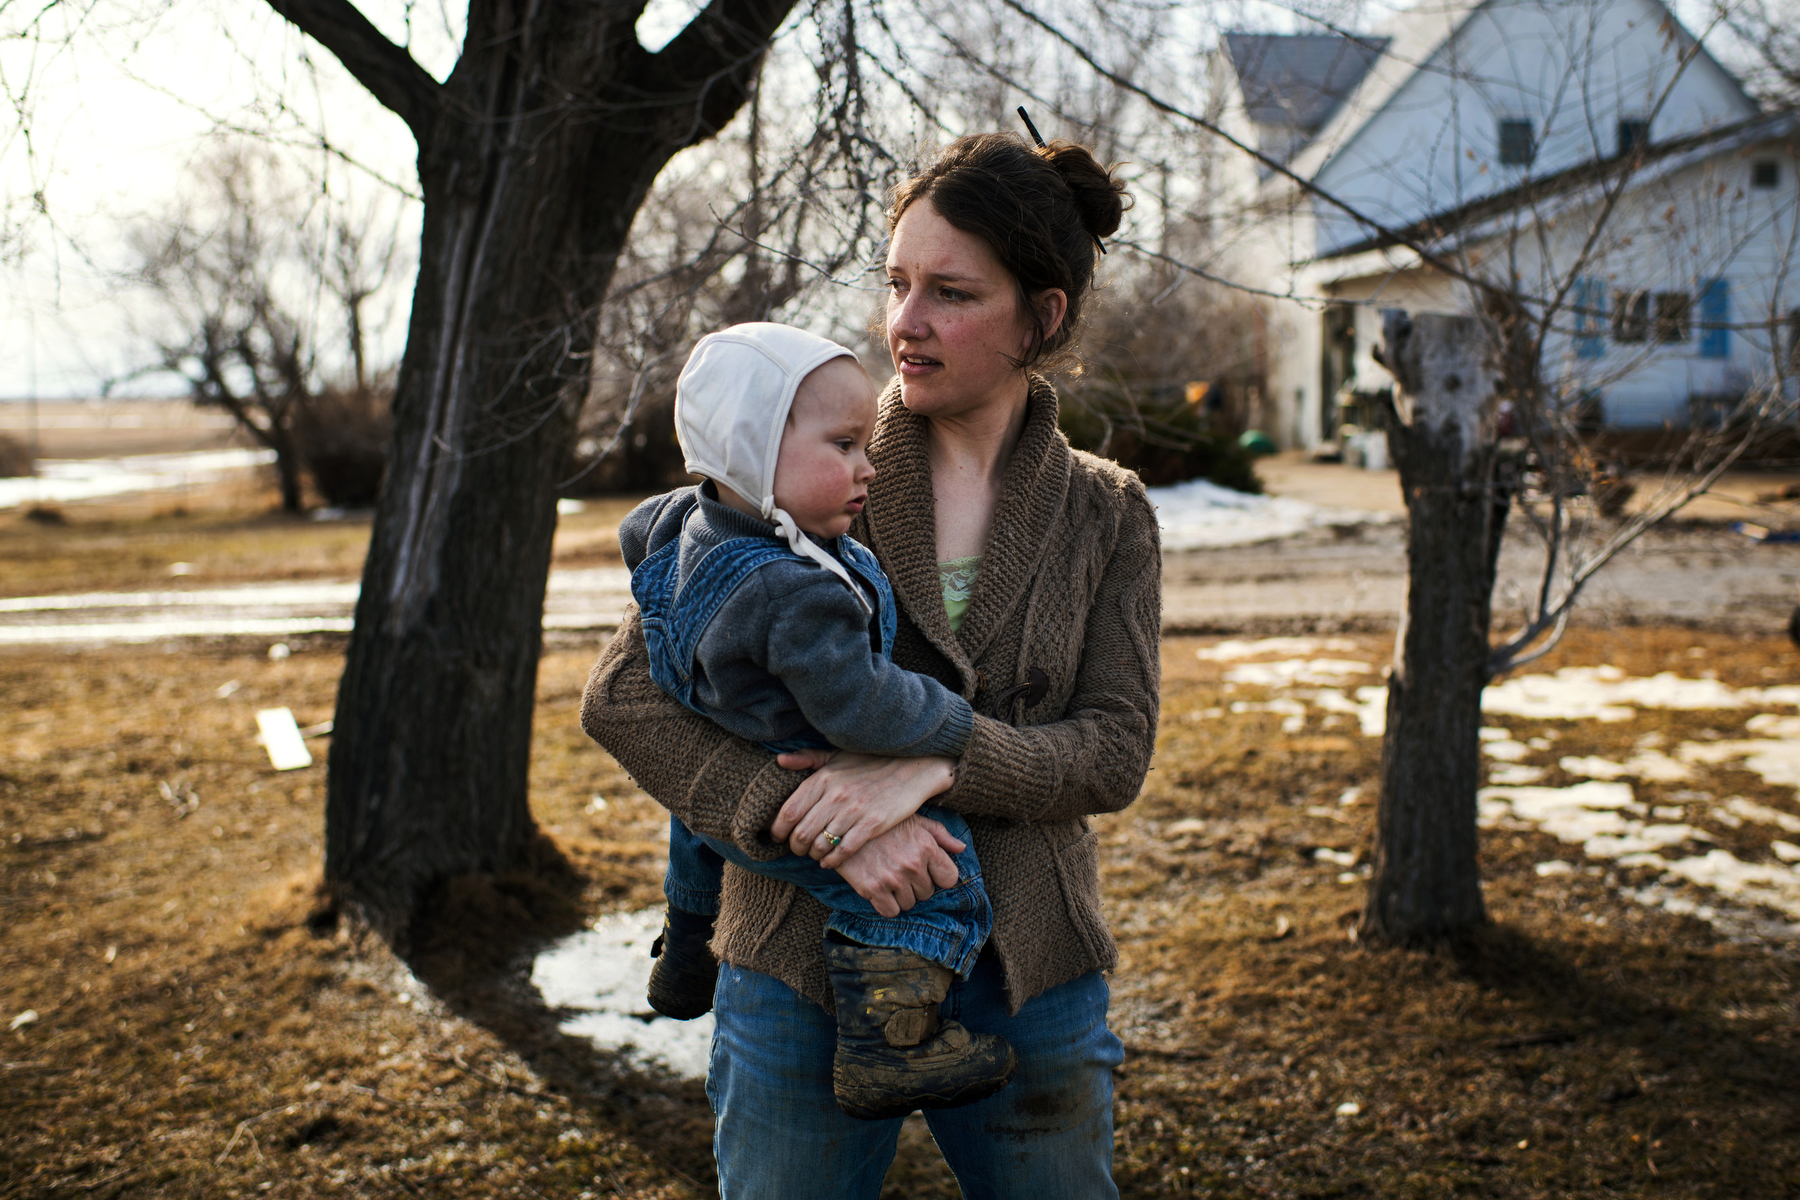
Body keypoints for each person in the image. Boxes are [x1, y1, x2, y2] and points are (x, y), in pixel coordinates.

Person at [582, 128, 1161, 1199]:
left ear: (1044, 316)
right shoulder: (798, 461)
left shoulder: (1104, 511)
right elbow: (626, 696)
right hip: (797, 963)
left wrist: (936, 764)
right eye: (895, 283)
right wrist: (809, 822)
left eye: (950, 292)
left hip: (1028, 971)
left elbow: (1115, 751)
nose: (904, 322)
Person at [622, 321, 1016, 1120]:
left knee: (695, 831)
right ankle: (888, 1042)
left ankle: (689, 943)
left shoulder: (676, 521)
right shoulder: (796, 591)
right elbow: (863, 706)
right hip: (810, 775)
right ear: (751, 449)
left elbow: (639, 546)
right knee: (943, 883)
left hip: (726, 738)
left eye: (865, 444)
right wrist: (948, 723)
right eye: (842, 445)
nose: (864, 466)